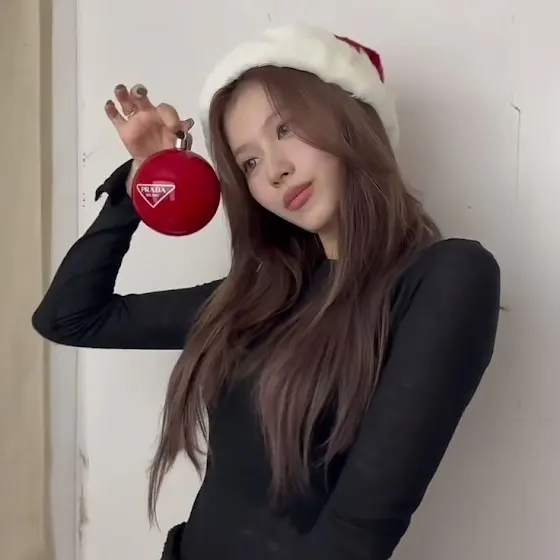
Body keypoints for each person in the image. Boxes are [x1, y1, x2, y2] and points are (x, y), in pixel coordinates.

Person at [32, 24, 501, 560]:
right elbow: (69, 316)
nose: (275, 171)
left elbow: (356, 535)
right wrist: (143, 179)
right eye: (249, 162)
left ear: (352, 120)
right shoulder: (259, 299)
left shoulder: (444, 278)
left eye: (287, 129)